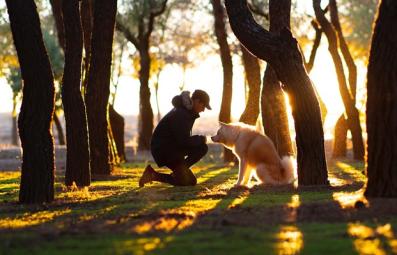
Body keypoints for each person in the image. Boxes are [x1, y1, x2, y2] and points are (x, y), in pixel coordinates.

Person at [139, 89, 211, 187]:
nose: (203, 110)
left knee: (190, 181)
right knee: (202, 147)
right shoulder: (181, 114)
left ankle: (152, 175)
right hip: (164, 150)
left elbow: (181, 139)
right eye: (204, 106)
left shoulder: (186, 112)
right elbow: (183, 141)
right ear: (197, 101)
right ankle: (179, 172)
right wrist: (201, 139)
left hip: (171, 148)